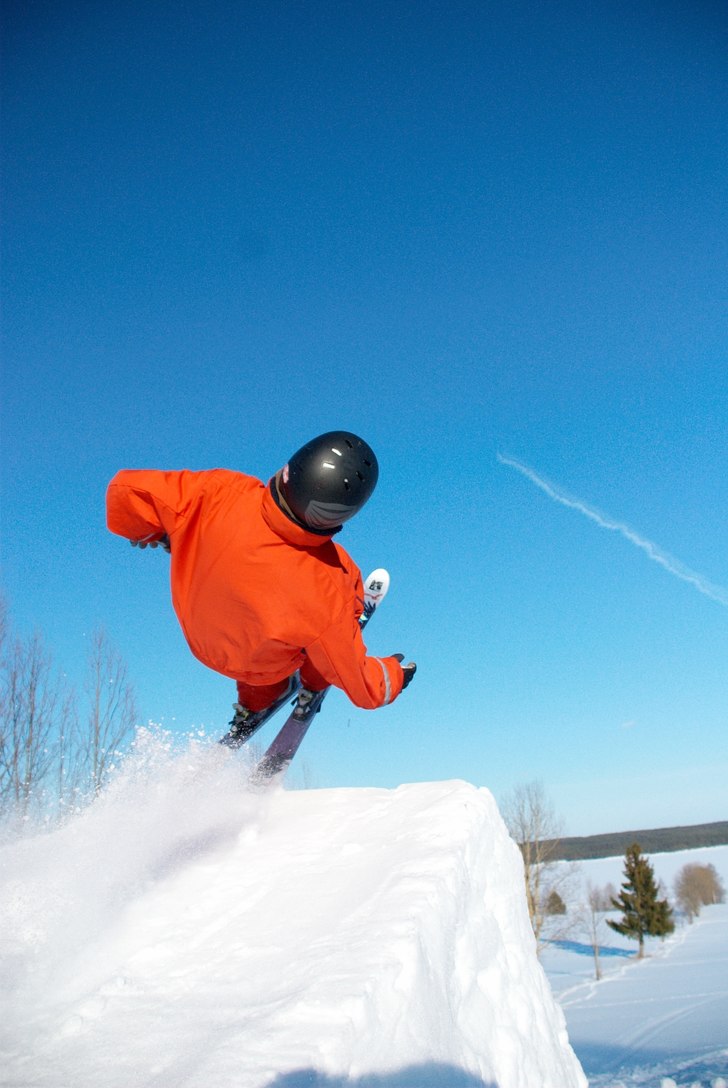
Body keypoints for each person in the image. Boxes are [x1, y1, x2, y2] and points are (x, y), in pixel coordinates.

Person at [106, 431, 416, 740]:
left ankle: (255, 702)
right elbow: (361, 685)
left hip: (200, 638)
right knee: (325, 639)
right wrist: (391, 677)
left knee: (262, 630)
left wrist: (153, 532)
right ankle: (312, 683)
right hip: (262, 665)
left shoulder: (219, 491)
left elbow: (124, 489)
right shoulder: (328, 582)